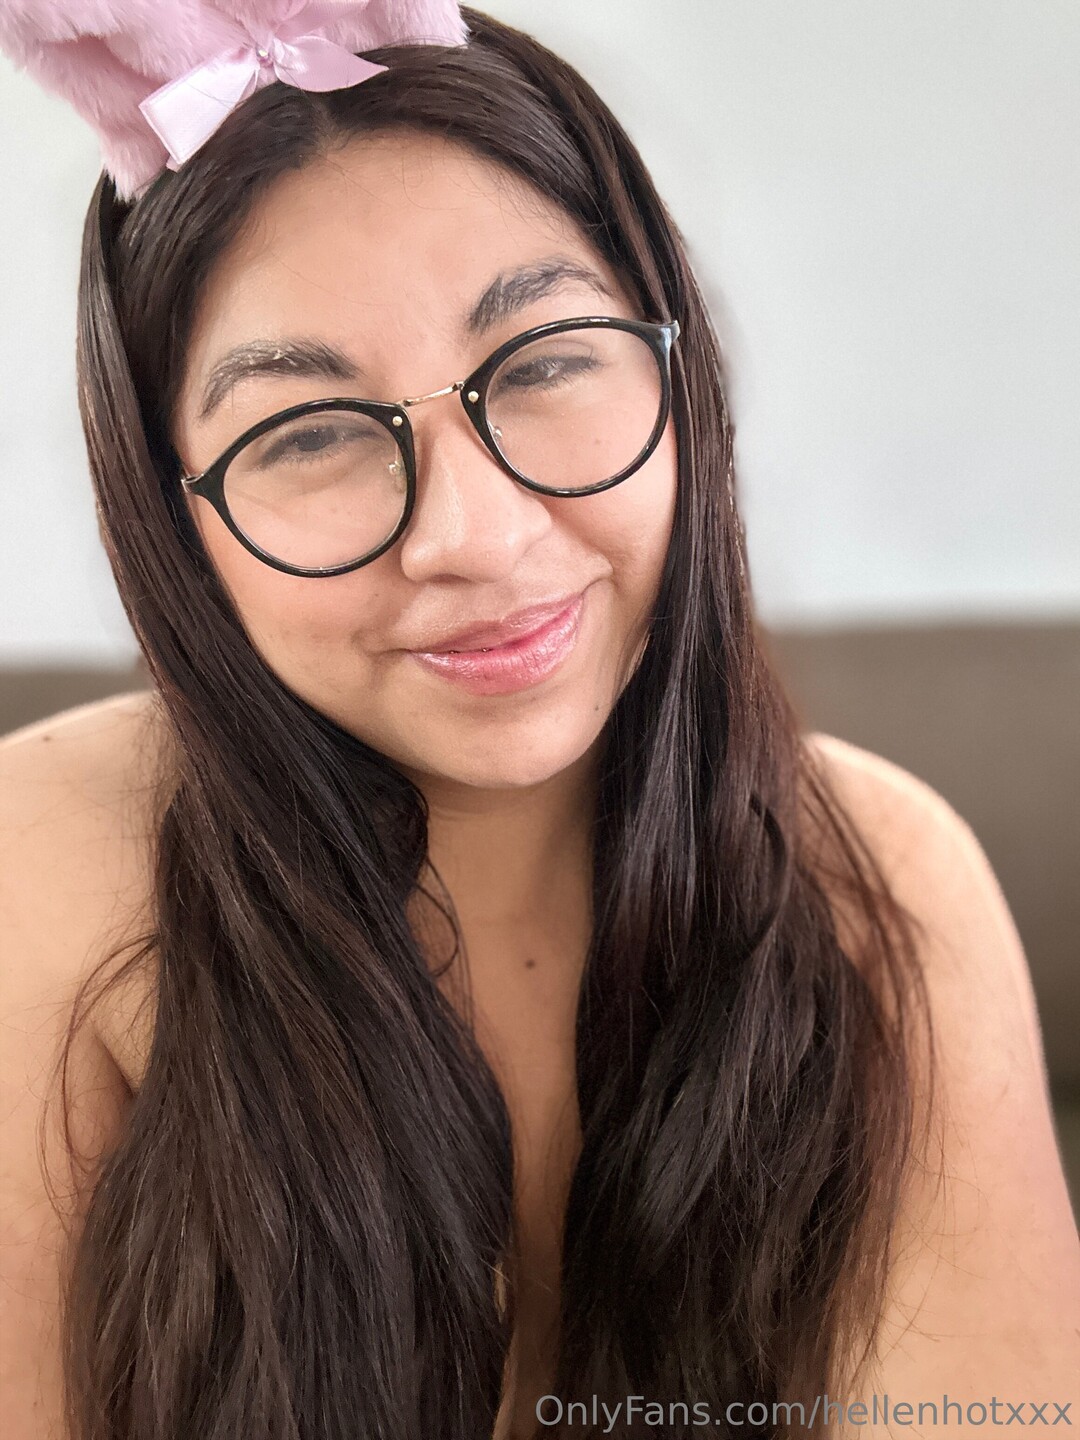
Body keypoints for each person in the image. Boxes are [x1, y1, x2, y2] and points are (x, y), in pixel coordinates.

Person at [1, 5, 1077, 1438]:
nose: (478, 536)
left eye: (546, 362)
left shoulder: (883, 881)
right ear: (172, 521)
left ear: (677, 371)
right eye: (308, 433)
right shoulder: (40, 879)